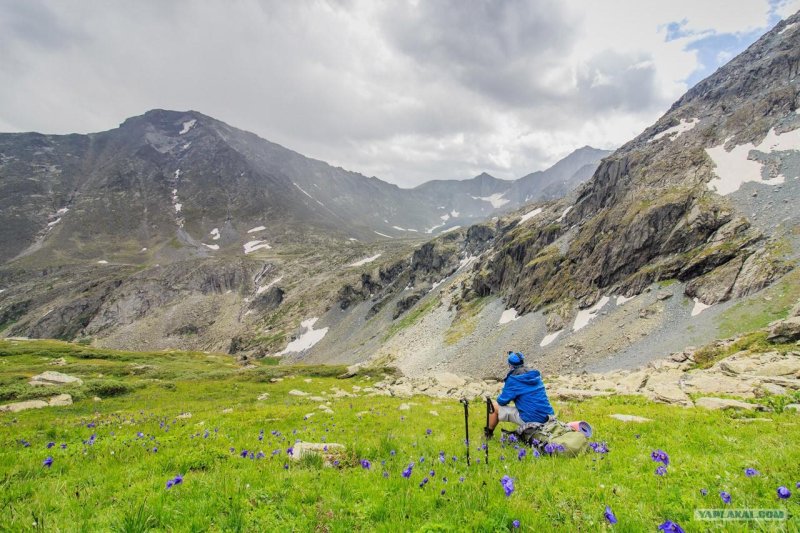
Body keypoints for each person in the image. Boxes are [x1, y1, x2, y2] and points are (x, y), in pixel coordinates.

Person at [485, 351, 555, 438]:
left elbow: (502, 401)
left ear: (510, 365)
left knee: (493, 406)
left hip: (532, 420)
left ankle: (488, 435)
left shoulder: (513, 379)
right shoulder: (535, 375)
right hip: (549, 417)